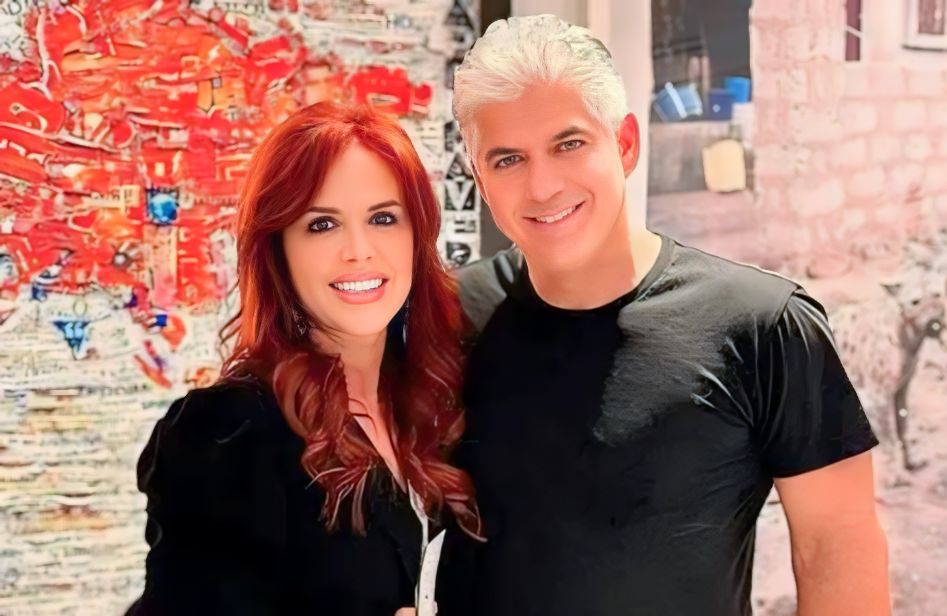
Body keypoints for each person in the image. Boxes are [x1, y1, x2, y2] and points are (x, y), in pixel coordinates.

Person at [449, 15, 891, 616]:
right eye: (508, 160)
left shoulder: (765, 326)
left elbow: (835, 545)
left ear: (626, 144)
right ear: (479, 178)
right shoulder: (447, 315)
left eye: (569, 144)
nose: (543, 185)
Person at [127, 102, 481, 616]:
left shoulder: (437, 402)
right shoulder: (228, 433)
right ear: (279, 251)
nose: (359, 250)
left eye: (383, 218)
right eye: (322, 225)